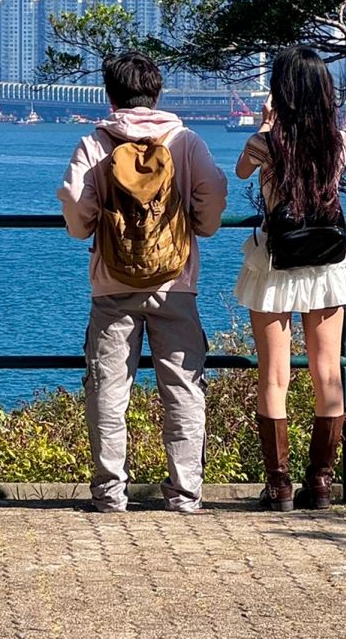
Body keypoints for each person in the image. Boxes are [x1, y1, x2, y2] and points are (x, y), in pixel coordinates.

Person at [58, 51, 227, 514]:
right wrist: (195, 227)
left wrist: (91, 226)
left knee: (109, 389)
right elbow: (212, 202)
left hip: (112, 285)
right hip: (177, 282)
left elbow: (75, 206)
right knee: (183, 388)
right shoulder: (186, 141)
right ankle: (185, 493)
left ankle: (111, 492)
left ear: (110, 95)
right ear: (156, 92)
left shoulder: (96, 143)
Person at [233, 44, 346, 512]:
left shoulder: (266, 143)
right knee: (328, 373)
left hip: (275, 264)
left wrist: (265, 125)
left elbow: (242, 171)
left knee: (275, 376)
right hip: (326, 264)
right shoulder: (338, 142)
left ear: (280, 92)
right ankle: (321, 484)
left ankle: (279, 486)